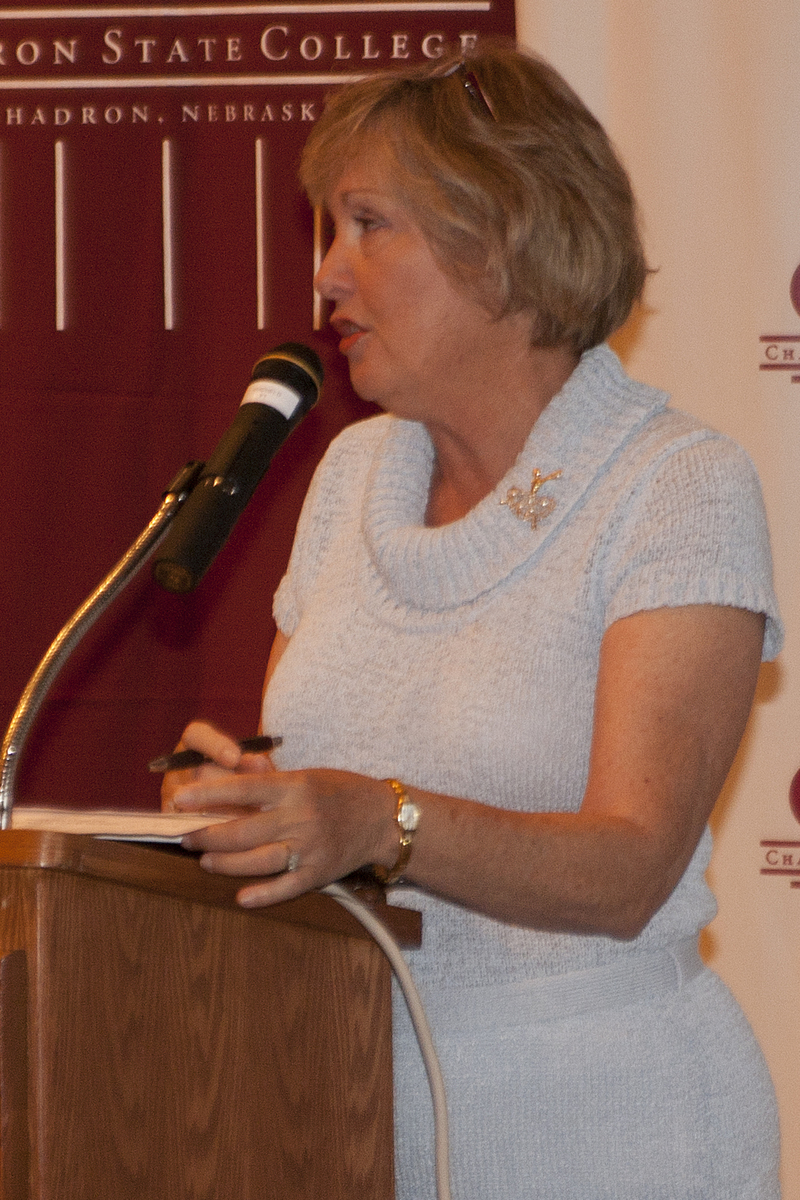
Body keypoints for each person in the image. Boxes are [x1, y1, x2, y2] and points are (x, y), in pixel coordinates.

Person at [163, 43, 783, 1199]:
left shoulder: (673, 485)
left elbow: (628, 865)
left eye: (366, 224)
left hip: (608, 1127)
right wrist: (248, 814)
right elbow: (319, 803)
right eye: (325, 230)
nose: (326, 280)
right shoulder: (350, 478)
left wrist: (372, 819)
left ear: (503, 239)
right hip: (333, 1110)